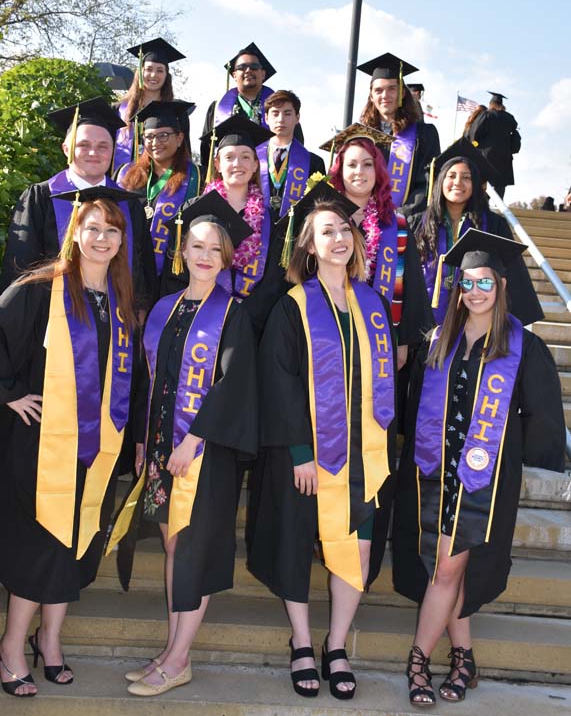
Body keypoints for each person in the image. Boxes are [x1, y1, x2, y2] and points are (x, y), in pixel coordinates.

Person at [392, 229, 565, 706]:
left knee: (447, 571)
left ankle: (418, 661)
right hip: (433, 472)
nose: (475, 291)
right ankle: (464, 656)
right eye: (467, 283)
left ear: (502, 286)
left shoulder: (522, 348)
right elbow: (412, 409)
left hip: (482, 479)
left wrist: (504, 453)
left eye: (485, 282)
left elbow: (544, 416)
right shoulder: (437, 340)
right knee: (447, 570)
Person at [247, 182, 397, 701]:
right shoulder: (293, 305)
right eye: (326, 232)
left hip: (364, 456)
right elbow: (280, 381)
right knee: (294, 545)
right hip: (307, 456)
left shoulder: (374, 304)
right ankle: (303, 642)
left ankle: (337, 645)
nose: (338, 239)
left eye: (344, 230)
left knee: (355, 548)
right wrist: (299, 452)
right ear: (309, 245)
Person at [108, 194, 257, 697]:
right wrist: (143, 444)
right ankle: (173, 650)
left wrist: (193, 439)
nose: (204, 255)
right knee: (175, 546)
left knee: (191, 551)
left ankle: (179, 658)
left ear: (227, 256)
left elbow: (233, 385)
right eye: (196, 245)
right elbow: (150, 380)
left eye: (215, 248)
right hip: (159, 449)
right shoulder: (166, 308)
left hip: (203, 451)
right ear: (183, 250)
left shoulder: (234, 313)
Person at [0, 187, 139, 698]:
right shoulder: (42, 288)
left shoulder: (120, 303)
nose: (102, 238)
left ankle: (50, 641)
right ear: (74, 233)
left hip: (95, 450)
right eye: (93, 228)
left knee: (73, 545)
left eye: (112, 229)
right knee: (40, 547)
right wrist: (9, 394)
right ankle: (12, 648)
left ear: (123, 239)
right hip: (43, 449)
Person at [0, 97, 156, 312]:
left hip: (117, 328)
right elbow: (20, 271)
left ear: (112, 152)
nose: (94, 153)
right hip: (50, 327)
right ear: (66, 148)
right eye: (84, 145)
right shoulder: (41, 198)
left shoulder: (129, 205)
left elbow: (142, 273)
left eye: (103, 146)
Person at [325, 123, 433, 371]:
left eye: (367, 164)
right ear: (340, 171)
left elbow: (410, 285)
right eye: (351, 165)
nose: (359, 171)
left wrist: (402, 341)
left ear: (378, 171)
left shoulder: (397, 225)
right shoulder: (323, 220)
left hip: (381, 335)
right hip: (329, 330)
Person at [164, 116, 284, 336]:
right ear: (217, 164)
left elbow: (274, 280)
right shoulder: (193, 210)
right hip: (197, 320)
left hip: (252, 325)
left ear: (256, 164)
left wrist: (244, 316)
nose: (237, 164)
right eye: (229, 157)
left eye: (245, 157)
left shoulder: (270, 218)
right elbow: (176, 268)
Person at [412, 137, 543, 326]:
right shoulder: (418, 223)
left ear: (475, 185)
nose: (458, 182)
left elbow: (511, 275)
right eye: (451, 176)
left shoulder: (493, 225)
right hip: (423, 321)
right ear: (440, 181)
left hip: (474, 322)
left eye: (466, 177)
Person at [117, 100, 201, 281]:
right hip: (126, 269)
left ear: (179, 139)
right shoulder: (127, 174)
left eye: (163, 135)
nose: (155, 142)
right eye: (149, 136)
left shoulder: (194, 177)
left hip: (168, 274)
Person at [358, 52, 440, 219]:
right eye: (378, 90)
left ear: (402, 93)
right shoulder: (361, 137)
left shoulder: (424, 135)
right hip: (363, 222)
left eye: (392, 89)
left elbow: (426, 185)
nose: (385, 95)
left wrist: (400, 216)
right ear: (372, 96)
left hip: (406, 224)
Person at [200, 43, 276, 170]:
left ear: (263, 74)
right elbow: (207, 149)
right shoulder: (217, 107)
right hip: (231, 178)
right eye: (242, 67)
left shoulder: (278, 107)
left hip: (271, 179)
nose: (248, 70)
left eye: (254, 66)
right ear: (234, 75)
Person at [113, 38, 184, 173]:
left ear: (166, 75)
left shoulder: (177, 112)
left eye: (160, 70)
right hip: (125, 180)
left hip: (165, 181)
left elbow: (184, 152)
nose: (153, 75)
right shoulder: (119, 110)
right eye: (149, 69)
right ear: (140, 72)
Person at [256, 90, 325, 220]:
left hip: (295, 235)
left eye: (287, 114)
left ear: (297, 118)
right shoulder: (253, 157)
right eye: (275, 113)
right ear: (266, 118)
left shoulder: (314, 163)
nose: (281, 119)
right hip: (257, 231)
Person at [465, 92, 521, 199]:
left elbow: (475, 133)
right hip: (504, 158)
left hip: (487, 156)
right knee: (500, 185)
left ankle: (481, 206)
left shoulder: (487, 115)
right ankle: (499, 208)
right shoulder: (510, 118)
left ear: (491, 104)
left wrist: (474, 144)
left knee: (483, 184)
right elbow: (514, 137)